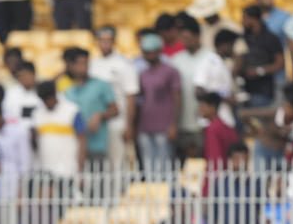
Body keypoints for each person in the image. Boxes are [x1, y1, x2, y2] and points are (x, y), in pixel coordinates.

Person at [89, 26, 137, 167]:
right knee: (99, 164)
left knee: (117, 162)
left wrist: (129, 125)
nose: (105, 44)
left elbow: (130, 97)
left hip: (117, 123)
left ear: (114, 42)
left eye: (108, 40)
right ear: (96, 42)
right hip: (97, 124)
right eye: (101, 40)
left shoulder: (124, 65)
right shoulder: (92, 65)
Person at [63, 47, 117, 166]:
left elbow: (115, 110)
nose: (85, 67)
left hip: (97, 144)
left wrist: (100, 115)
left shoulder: (101, 85)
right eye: (80, 63)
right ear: (71, 66)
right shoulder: (68, 91)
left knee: (99, 181)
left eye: (86, 63)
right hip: (74, 146)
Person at [137, 33, 181, 168]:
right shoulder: (142, 74)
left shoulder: (171, 71)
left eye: (151, 52)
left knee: (164, 167)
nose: (148, 55)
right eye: (145, 52)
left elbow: (177, 99)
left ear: (158, 51)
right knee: (148, 167)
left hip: (164, 127)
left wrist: (173, 124)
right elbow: (140, 101)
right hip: (145, 127)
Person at [170, 15, 210, 159]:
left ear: (197, 36)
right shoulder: (176, 60)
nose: (184, 41)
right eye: (182, 38)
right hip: (181, 123)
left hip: (203, 124)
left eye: (187, 37)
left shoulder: (210, 58)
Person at [35, 79, 86, 176]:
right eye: (44, 100)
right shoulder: (37, 113)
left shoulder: (72, 110)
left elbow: (82, 141)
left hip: (68, 169)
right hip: (46, 170)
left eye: (48, 99)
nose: (47, 103)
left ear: (54, 95)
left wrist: (80, 169)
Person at [0, 100, 30, 200]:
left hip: (15, 176)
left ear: (0, 115)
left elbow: (25, 159)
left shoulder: (18, 131)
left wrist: (22, 189)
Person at [194, 29, 239, 128]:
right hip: (211, 122)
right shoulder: (207, 61)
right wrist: (224, 98)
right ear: (224, 45)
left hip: (225, 119)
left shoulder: (224, 63)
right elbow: (198, 92)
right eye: (232, 45)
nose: (233, 49)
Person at [241, 5, 284, 109]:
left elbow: (280, 63)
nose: (242, 21)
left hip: (263, 90)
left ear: (254, 19)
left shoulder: (270, 38)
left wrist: (259, 71)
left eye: (245, 18)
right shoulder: (244, 37)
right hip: (246, 89)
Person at [254, 0, 292, 94]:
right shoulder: (254, 18)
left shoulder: (284, 17)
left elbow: (291, 46)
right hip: (258, 76)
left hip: (278, 73)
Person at [199, 92, 238, 173]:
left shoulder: (212, 129)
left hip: (217, 177)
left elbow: (215, 159)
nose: (200, 109)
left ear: (212, 107)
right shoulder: (225, 127)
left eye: (203, 106)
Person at [3, 61, 41, 130]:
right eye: (20, 76)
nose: (23, 79)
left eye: (25, 75)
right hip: (18, 131)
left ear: (34, 73)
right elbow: (7, 115)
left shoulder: (44, 91)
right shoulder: (11, 93)